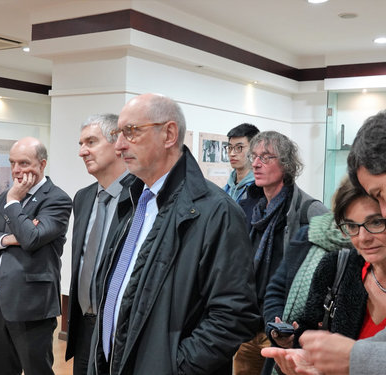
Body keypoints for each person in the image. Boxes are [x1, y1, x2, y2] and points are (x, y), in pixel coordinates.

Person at [87, 93, 260, 375]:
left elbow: (233, 316)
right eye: (118, 134)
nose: (119, 146)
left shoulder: (216, 212)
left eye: (130, 132)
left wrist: (173, 367)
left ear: (169, 134)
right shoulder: (133, 199)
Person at [263, 109, 386, 375]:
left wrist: (352, 357)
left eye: (375, 222)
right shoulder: (340, 265)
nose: (362, 237)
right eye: (351, 226)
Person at [0, 137, 72, 375]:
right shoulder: (7, 196)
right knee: (1, 369)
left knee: (36, 369)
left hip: (32, 304)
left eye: (24, 163)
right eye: (13, 163)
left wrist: (13, 203)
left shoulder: (57, 199)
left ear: (42, 164)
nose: (17, 170)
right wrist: (7, 238)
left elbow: (31, 238)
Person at [235, 131, 327, 375]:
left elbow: (336, 262)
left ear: (285, 164)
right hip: (249, 325)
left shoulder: (310, 209)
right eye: (254, 156)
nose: (255, 163)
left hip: (284, 327)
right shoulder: (251, 208)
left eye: (266, 157)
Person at [65, 114, 134, 374]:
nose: (83, 151)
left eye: (91, 142)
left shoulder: (140, 198)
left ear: (118, 144)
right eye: (81, 144)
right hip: (83, 326)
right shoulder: (83, 198)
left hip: (118, 329)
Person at [262, 211, 351, 375]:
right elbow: (276, 289)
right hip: (284, 358)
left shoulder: (369, 251)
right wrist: (278, 328)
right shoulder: (310, 233)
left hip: (330, 363)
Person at [223, 123, 260, 203]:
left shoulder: (259, 189)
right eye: (230, 148)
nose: (232, 153)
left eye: (239, 147)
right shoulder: (227, 188)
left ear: (254, 149)